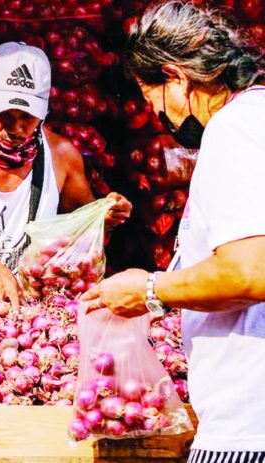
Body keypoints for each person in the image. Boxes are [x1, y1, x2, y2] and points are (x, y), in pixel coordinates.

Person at [82, 2, 265, 461]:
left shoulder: (234, 128)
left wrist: (149, 289)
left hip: (247, 430)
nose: (159, 117)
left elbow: (251, 271)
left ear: (177, 78)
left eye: (154, 100)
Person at [0, 42, 132, 307]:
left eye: (26, 116)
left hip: (37, 315)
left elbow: (81, 225)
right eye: (4, 114)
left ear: (45, 111)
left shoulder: (61, 156)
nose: (14, 128)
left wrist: (104, 215)